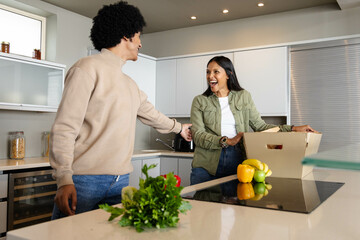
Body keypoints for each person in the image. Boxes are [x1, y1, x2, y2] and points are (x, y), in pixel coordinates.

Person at [50, 1, 191, 219]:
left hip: (121, 182)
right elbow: (64, 127)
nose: (140, 44)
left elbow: (152, 116)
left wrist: (179, 127)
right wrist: (64, 179)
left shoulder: (130, 84)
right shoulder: (86, 68)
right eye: (138, 36)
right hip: (85, 181)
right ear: (126, 35)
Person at [190, 56, 317, 185]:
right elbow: (198, 135)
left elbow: (260, 126)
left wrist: (293, 128)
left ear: (228, 74)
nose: (210, 76)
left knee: (234, 203)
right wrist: (226, 140)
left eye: (216, 71)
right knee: (201, 203)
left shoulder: (243, 96)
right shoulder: (200, 101)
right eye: (208, 72)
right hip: (206, 163)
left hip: (237, 160)